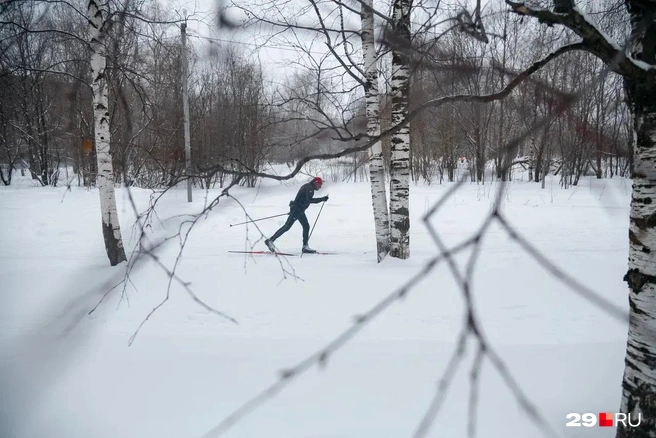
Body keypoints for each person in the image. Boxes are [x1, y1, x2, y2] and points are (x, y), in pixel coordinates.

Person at [265, 177, 328, 253]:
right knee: (287, 226)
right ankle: (270, 240)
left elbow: (303, 199)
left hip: (299, 210)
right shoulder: (309, 188)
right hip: (297, 210)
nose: (320, 187)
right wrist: (322, 199)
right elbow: (309, 200)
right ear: (315, 182)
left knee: (305, 226)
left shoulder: (308, 187)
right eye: (319, 185)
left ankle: (305, 246)